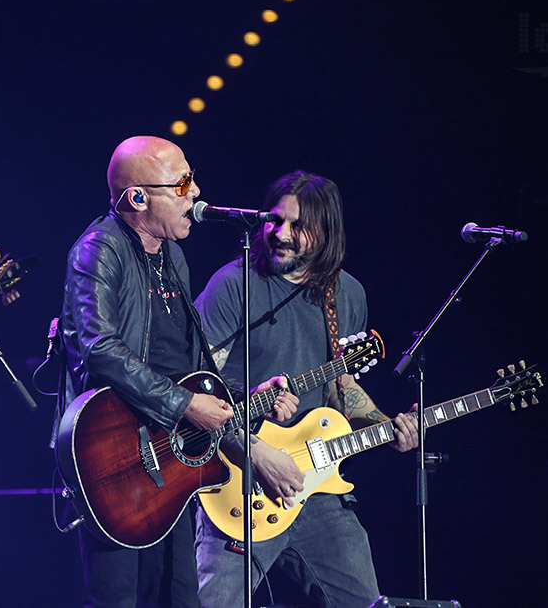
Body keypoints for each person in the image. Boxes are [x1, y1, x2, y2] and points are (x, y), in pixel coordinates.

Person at [59, 135, 296, 607]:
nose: (196, 193)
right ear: (138, 198)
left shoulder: (174, 257)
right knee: (116, 598)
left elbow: (184, 367)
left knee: (179, 598)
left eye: (192, 178)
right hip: (114, 454)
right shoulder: (99, 250)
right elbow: (100, 348)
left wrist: (247, 395)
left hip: (168, 457)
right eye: (182, 183)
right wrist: (187, 404)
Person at [193, 171, 420, 608]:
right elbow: (195, 386)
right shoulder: (233, 285)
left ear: (326, 232)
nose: (280, 234)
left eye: (298, 226)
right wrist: (254, 423)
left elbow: (341, 385)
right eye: (275, 220)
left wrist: (385, 424)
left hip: (316, 486)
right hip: (240, 477)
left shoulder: (346, 294)